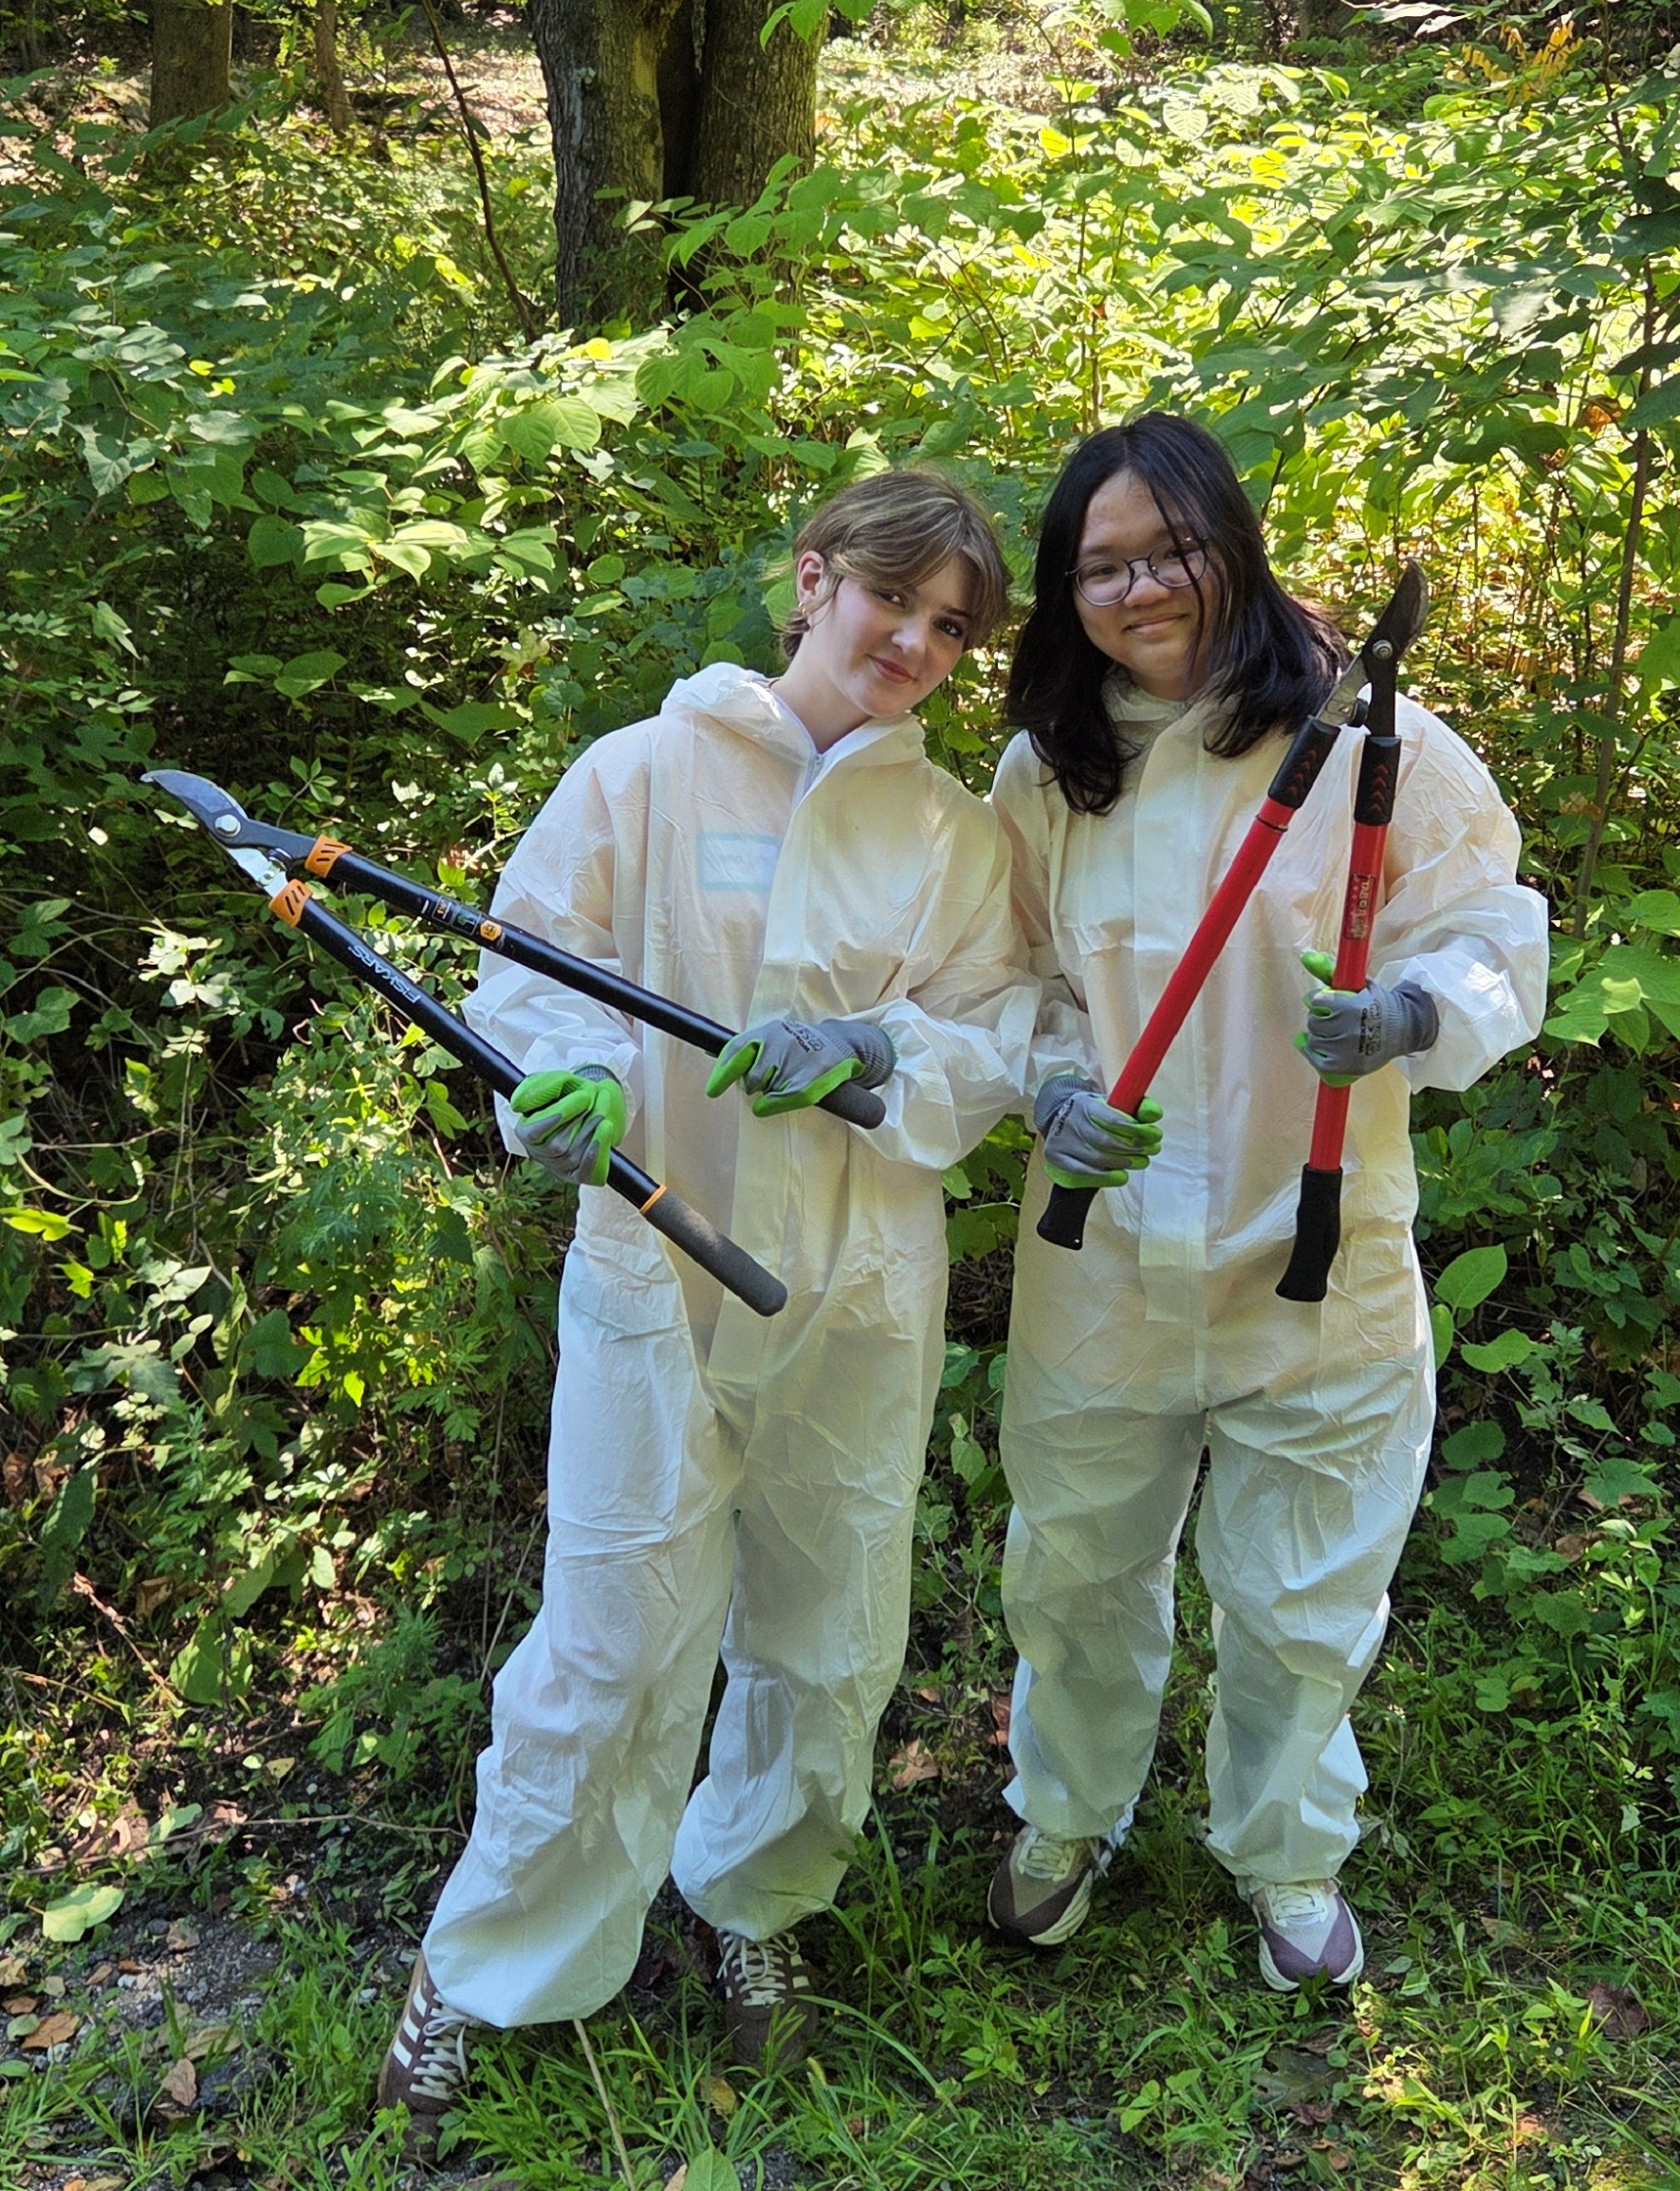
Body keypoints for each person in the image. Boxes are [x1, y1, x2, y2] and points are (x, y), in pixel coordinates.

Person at [378, 470, 1036, 2141]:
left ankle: (752, 1904)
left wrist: (882, 1050)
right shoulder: (643, 773)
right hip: (654, 1274)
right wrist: (569, 1085)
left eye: (954, 626)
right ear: (812, 580)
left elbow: (1008, 1030)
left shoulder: (956, 835)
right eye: (894, 597)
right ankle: (483, 1967)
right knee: (609, 1639)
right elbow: (533, 973)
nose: (917, 640)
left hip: (859, 1292)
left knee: (830, 1635)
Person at [984, 414, 1548, 1991]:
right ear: (1063, 589)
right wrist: (1048, 1085)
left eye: (1169, 549)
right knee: (1077, 1558)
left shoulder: (1376, 741)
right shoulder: (1047, 772)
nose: (1140, 586)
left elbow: (1490, 920)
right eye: (1102, 565)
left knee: (1307, 1583)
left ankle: (1287, 1849)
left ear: (1230, 547)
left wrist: (1418, 1015)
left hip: (1321, 1238)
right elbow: (1000, 978)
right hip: (1100, 1248)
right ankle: (1065, 1812)